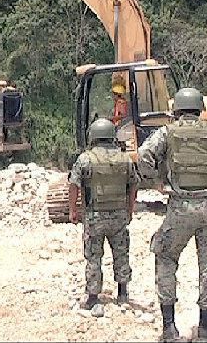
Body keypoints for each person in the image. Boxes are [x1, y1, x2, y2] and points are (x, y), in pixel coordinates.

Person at [137, 88, 207, 342]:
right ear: (200, 108)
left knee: (165, 257)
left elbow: (144, 156)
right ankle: (206, 325)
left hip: (179, 206)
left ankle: (169, 327)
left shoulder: (167, 132)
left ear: (176, 109)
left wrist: (155, 182)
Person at [68, 118, 138, 311]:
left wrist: (73, 210)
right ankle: (123, 294)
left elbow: (74, 184)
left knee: (93, 256)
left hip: (95, 216)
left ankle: (93, 296)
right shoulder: (125, 158)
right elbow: (134, 184)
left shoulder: (85, 159)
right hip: (118, 215)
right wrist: (129, 209)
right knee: (121, 254)